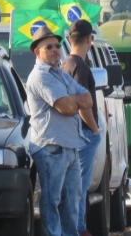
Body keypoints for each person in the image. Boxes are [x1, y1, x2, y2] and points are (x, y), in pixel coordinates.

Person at [26, 26, 94, 236]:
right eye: (49, 47)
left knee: (72, 202)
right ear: (37, 52)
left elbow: (88, 99)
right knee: (52, 201)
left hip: (71, 146)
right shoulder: (40, 76)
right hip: (50, 148)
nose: (56, 49)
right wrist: (73, 101)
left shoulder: (60, 75)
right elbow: (66, 108)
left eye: (57, 45)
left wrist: (70, 100)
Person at [61, 20, 101, 236]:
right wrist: (95, 129)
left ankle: (75, 226)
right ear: (88, 39)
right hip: (84, 133)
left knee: (74, 184)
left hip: (71, 133)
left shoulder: (65, 64)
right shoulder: (82, 67)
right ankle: (78, 227)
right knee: (80, 185)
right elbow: (83, 105)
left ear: (70, 39)